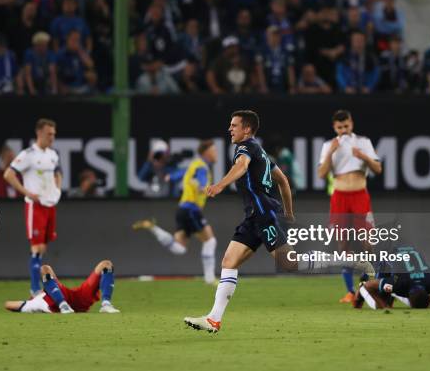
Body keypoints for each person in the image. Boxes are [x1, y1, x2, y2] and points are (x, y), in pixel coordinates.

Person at [184, 110, 295, 333]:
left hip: (263, 215)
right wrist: (289, 212)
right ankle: (214, 319)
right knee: (228, 261)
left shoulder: (245, 148)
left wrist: (220, 185)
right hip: (254, 216)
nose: (230, 129)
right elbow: (283, 181)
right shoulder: (262, 153)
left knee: (290, 263)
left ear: (247, 129)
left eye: (234, 125)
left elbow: (241, 166)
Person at [133, 140, 219, 284]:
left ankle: (152, 227)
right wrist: (206, 188)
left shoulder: (194, 164)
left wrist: (170, 177)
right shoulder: (202, 167)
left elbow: (181, 174)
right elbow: (201, 183)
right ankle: (210, 279)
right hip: (191, 209)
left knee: (180, 248)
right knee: (210, 241)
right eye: (213, 150)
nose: (216, 153)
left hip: (182, 210)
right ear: (206, 152)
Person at [318, 110, 382, 304]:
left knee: (367, 242)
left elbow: (378, 169)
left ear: (351, 124)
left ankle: (366, 283)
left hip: (360, 196)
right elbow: (321, 174)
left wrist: (363, 156)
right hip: (340, 197)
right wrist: (330, 153)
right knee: (343, 243)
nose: (343, 130)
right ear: (334, 128)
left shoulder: (363, 142)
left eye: (346, 126)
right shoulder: (328, 145)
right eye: (339, 127)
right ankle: (349, 290)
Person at [3, 119, 62, 296]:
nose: (52, 137)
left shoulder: (53, 154)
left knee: (43, 247)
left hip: (50, 204)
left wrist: (57, 189)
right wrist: (26, 192)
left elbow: (58, 173)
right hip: (35, 206)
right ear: (39, 133)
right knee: (36, 247)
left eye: (53, 134)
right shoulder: (28, 154)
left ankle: (38, 287)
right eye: (49, 134)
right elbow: (9, 174)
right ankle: (35, 289)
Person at [5, 260, 120, 313]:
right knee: (44, 268)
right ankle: (63, 306)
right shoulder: (34, 303)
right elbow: (8, 305)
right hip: (57, 303)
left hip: (76, 297)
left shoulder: (37, 299)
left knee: (106, 265)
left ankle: (106, 305)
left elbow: (8, 304)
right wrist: (34, 298)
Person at [354, 246, 430, 309]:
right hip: (386, 262)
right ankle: (361, 289)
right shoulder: (397, 283)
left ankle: (391, 295)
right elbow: (370, 286)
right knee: (379, 304)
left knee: (392, 291)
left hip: (404, 263)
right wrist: (384, 307)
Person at [255, 25, 296, 94]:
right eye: (272, 35)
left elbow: (290, 69)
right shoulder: (262, 51)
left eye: (277, 35)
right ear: (267, 36)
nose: (275, 37)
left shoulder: (285, 51)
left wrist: (292, 86)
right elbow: (259, 69)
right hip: (268, 86)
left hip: (283, 86)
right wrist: (263, 86)